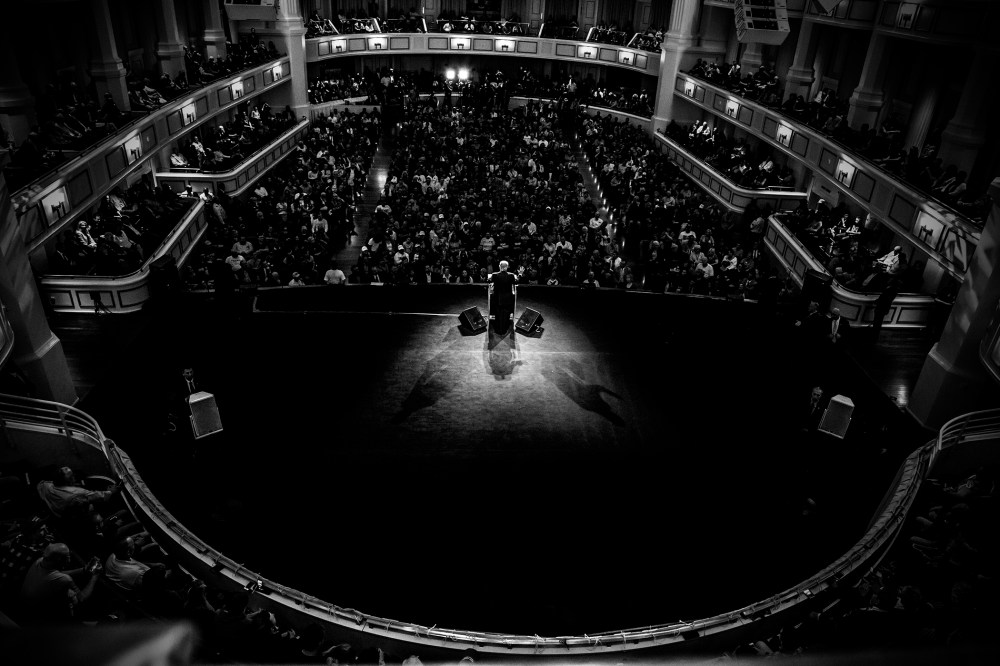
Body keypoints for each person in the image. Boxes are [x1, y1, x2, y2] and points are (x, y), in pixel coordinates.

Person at [20, 543, 101, 623]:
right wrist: (95, 577)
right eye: (68, 556)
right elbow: (81, 598)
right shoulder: (64, 579)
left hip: (24, 607)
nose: (70, 558)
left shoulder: (40, 561)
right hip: (38, 617)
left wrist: (84, 570)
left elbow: (57, 574)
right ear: (60, 559)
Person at [487, 260, 519, 333]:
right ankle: (504, 329)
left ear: (499, 266)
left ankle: (498, 329)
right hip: (508, 299)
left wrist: (489, 278)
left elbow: (489, 281)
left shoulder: (495, 275)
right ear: (507, 267)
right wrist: (519, 274)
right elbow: (516, 282)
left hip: (497, 299)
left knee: (498, 314)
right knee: (506, 315)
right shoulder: (511, 275)